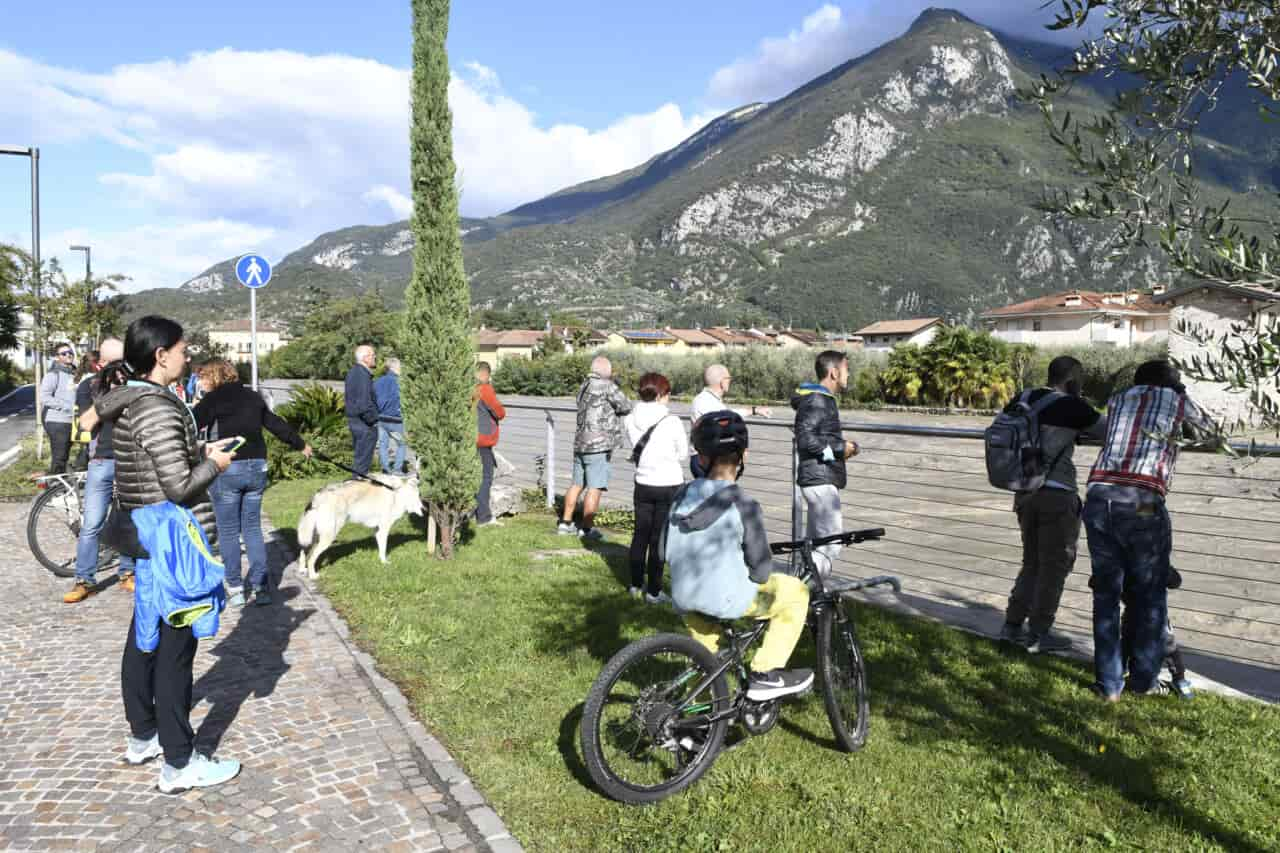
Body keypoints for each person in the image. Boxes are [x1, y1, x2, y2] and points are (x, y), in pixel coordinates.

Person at [95, 315, 240, 792]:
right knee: (176, 649)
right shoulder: (156, 406)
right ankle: (179, 762)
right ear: (160, 356)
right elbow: (178, 485)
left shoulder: (135, 401)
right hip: (174, 540)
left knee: (146, 636)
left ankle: (144, 736)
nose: (188, 356)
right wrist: (215, 464)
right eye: (182, 349)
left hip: (148, 534)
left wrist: (200, 445)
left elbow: (155, 458)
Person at [1083, 359, 1215, 701]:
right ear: (1171, 383)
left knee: (1106, 593)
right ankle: (1143, 681)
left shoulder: (1118, 399)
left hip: (1099, 499)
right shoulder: (1176, 399)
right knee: (1150, 592)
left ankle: (1109, 685)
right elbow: (1213, 434)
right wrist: (1182, 391)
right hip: (1141, 503)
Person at [666, 410, 814, 700]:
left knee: (707, 660)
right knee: (796, 592)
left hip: (684, 595)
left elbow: (663, 549)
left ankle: (698, 723)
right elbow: (760, 569)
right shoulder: (744, 504)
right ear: (743, 455)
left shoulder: (681, 495)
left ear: (702, 457)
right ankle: (765, 674)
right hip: (726, 599)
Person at [997, 356, 1108, 654]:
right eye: (1080, 380)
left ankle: (1011, 625)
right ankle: (1039, 633)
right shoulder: (1072, 406)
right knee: (1055, 565)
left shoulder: (1025, 397)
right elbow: (1108, 431)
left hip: (1024, 491)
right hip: (1057, 495)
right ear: (1072, 380)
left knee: (1031, 562)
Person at [194, 358, 312, 608]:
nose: (201, 383)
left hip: (229, 465)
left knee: (227, 530)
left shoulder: (213, 399)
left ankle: (235, 587)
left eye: (203, 377)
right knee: (252, 528)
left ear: (214, 376)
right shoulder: (252, 396)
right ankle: (260, 587)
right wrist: (300, 444)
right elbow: (274, 423)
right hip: (257, 466)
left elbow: (190, 425)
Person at [63, 338, 133, 604]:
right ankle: (84, 580)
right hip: (101, 460)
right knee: (92, 524)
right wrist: (107, 391)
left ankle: (128, 572)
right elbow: (85, 423)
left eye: (122, 364)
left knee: (129, 518)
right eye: (112, 364)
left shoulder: (132, 383)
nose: (118, 369)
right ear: (100, 363)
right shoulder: (89, 386)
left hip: (128, 459)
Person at [791, 350, 859, 576]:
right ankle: (801, 591)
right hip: (820, 480)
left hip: (816, 478)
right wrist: (839, 450)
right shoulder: (818, 400)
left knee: (815, 546)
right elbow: (805, 438)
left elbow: (814, 436)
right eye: (846, 370)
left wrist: (841, 448)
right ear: (834, 373)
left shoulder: (817, 399)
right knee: (831, 545)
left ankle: (806, 600)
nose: (849, 375)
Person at [623, 372, 687, 603]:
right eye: (668, 393)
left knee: (640, 535)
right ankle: (654, 590)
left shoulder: (630, 419)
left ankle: (635, 584)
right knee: (658, 539)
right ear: (661, 394)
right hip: (668, 483)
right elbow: (682, 454)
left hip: (643, 482)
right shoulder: (672, 421)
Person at [558, 356, 631, 541]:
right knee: (595, 487)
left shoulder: (583, 385)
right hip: (598, 445)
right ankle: (587, 529)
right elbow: (626, 405)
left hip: (580, 442)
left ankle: (565, 523)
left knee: (576, 484)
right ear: (605, 371)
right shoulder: (607, 385)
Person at [689, 364, 771, 478]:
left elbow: (727, 413)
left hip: (703, 457)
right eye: (729, 379)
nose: (729, 382)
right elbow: (728, 416)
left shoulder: (704, 399)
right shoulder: (708, 402)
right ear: (722, 382)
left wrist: (753, 410)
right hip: (705, 459)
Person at [473, 361, 506, 526]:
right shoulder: (485, 389)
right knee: (486, 477)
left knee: (474, 476)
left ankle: (472, 511)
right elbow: (499, 412)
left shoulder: (468, 389)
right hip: (484, 439)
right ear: (485, 374)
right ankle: (484, 516)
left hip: (471, 437)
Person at [40, 343, 78, 474]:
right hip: (57, 421)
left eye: (70, 352)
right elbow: (44, 397)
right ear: (57, 357)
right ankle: (54, 489)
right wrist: (67, 406)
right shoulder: (53, 374)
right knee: (59, 458)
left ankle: (60, 486)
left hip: (70, 420)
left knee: (64, 457)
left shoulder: (74, 373)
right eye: (64, 353)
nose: (68, 355)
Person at [344, 344, 379, 476]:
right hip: (364, 424)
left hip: (358, 422)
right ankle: (357, 490)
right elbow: (363, 403)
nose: (375, 357)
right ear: (365, 358)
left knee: (360, 461)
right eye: (372, 354)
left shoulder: (356, 372)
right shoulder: (361, 375)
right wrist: (373, 420)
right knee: (362, 463)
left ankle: (357, 487)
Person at [374, 357, 407, 475]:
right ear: (394, 368)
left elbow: (374, 399)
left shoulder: (377, 381)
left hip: (381, 418)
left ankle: (386, 469)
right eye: (399, 367)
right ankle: (397, 470)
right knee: (402, 444)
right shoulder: (400, 382)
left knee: (383, 444)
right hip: (395, 419)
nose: (401, 369)